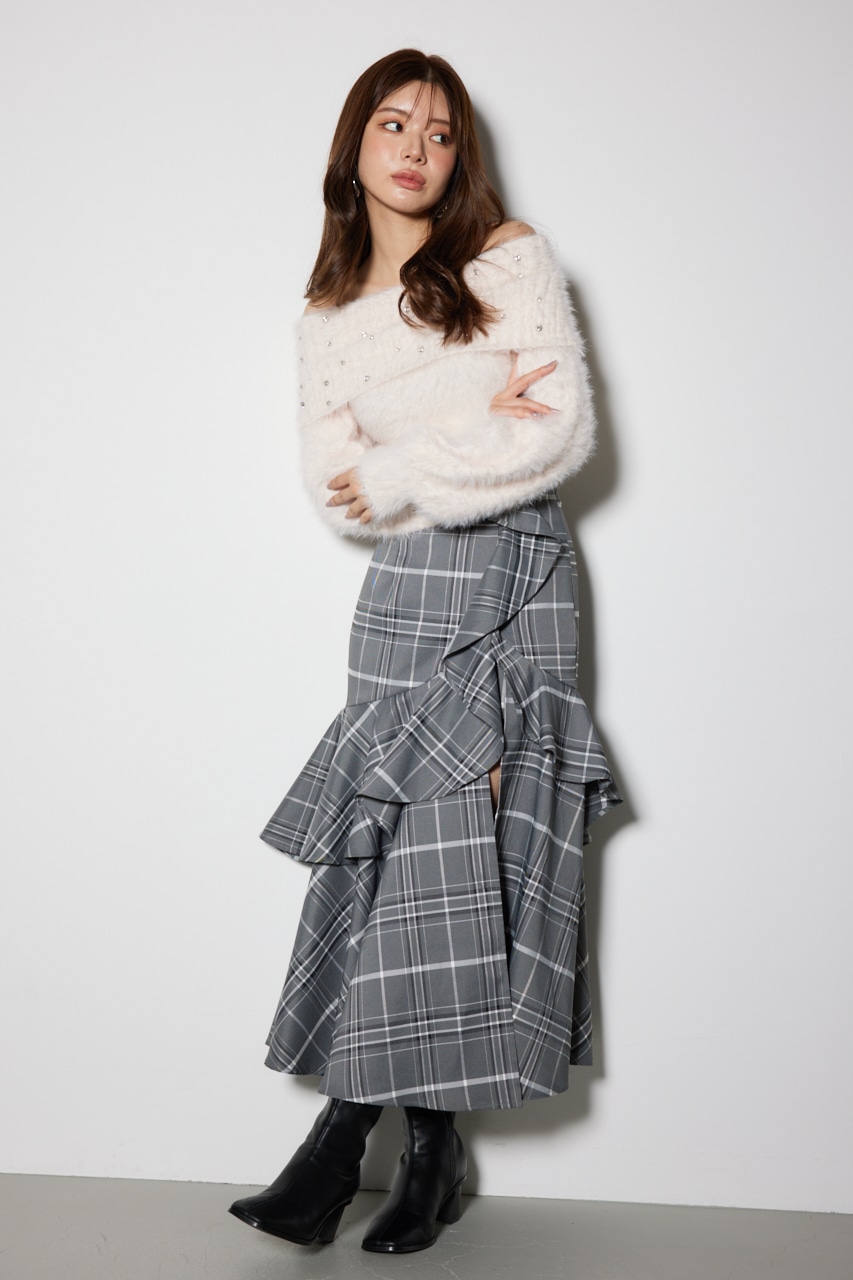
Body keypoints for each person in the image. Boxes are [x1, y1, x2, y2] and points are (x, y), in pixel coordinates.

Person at [229, 48, 622, 1255]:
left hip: (511, 574)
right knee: (400, 850)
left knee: (468, 845)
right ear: (354, 142)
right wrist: (467, 411)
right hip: (403, 591)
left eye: (440, 132)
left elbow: (552, 429)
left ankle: (341, 1144)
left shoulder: (507, 257)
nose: (414, 147)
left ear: (461, 157)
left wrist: (398, 447)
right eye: (393, 123)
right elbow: (334, 490)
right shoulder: (326, 313)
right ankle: (429, 1153)